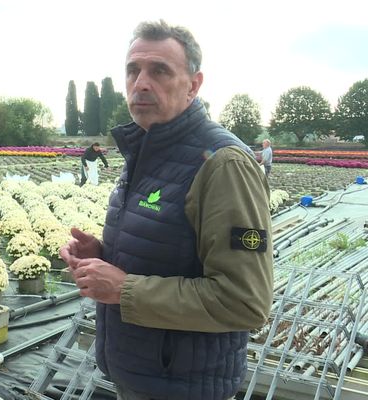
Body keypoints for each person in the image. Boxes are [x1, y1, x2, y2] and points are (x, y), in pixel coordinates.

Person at [60, 20, 273, 400]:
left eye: (159, 70)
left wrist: (123, 289)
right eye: (133, 70)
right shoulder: (147, 149)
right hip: (143, 376)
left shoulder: (223, 164)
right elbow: (170, 253)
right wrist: (104, 256)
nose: (141, 83)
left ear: (193, 85)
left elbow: (244, 301)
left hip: (182, 386)